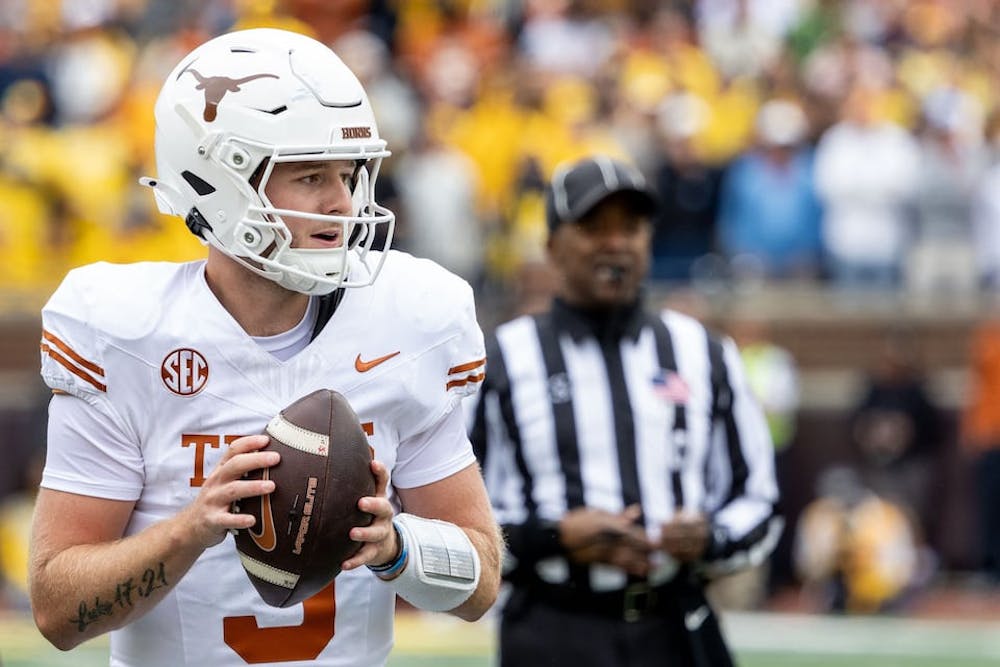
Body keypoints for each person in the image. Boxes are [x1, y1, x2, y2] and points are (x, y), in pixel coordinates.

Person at [29, 28, 501, 667]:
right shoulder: (128, 335)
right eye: (310, 176)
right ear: (216, 183)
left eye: (351, 173)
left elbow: (481, 586)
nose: (343, 203)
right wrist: (190, 531)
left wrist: (398, 548)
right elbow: (58, 612)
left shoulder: (408, 321)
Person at [467, 155, 782, 667]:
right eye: (594, 227)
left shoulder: (704, 353)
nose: (616, 243)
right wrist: (554, 538)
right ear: (552, 246)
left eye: (631, 227)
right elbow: (454, 513)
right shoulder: (499, 360)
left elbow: (760, 500)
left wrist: (709, 537)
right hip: (551, 629)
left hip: (673, 625)